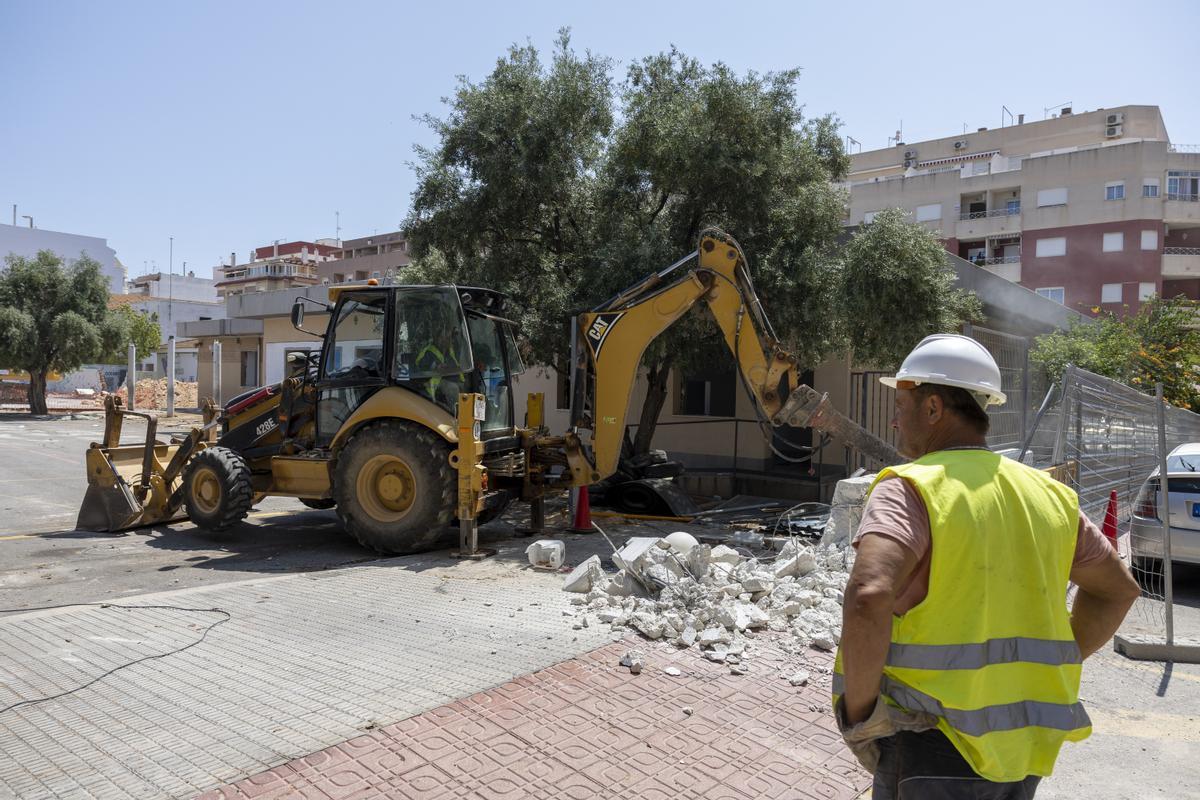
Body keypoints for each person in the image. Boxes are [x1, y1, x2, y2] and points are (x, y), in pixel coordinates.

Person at [833, 334, 1141, 799]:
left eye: (901, 404)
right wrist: (1050, 663)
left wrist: (858, 717)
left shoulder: (910, 488)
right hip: (1020, 748)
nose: (894, 421)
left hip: (930, 741)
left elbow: (869, 595)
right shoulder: (1051, 495)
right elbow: (1119, 590)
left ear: (933, 408)